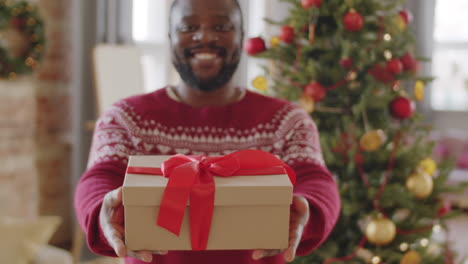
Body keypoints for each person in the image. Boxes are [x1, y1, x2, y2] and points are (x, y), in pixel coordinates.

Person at [74, 0, 340, 263]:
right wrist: (100, 211)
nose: (204, 36)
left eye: (222, 26)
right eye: (188, 27)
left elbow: (315, 179)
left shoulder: (288, 121)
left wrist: (309, 210)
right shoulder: (124, 118)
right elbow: (99, 178)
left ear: (241, 37)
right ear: (170, 37)